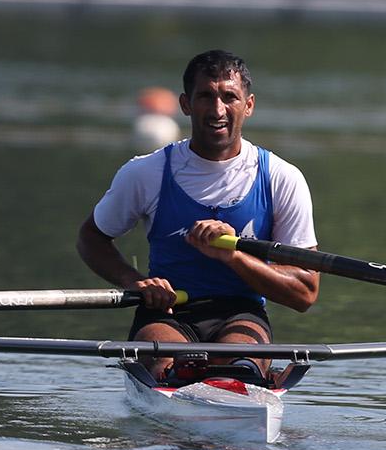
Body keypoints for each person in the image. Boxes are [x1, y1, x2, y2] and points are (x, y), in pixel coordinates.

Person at [76, 50, 318, 380]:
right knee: (173, 370)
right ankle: (178, 381)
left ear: (248, 105)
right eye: (206, 96)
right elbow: (91, 238)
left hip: (241, 314)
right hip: (166, 312)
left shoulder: (281, 178)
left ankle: (238, 379)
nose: (217, 110)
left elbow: (305, 293)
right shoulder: (145, 172)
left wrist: (233, 257)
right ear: (186, 104)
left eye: (229, 97)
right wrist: (134, 282)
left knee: (240, 372)